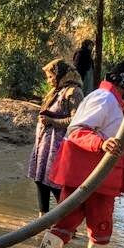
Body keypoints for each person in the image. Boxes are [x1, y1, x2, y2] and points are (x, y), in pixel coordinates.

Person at [25, 58, 124, 248]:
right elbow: (77, 131)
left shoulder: (112, 101)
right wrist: (102, 143)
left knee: (96, 228)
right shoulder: (103, 99)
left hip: (98, 176)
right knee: (73, 225)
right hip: (90, 176)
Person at [27, 58, 84, 214]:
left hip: (58, 145)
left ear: (62, 75)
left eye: (51, 76)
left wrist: (52, 121)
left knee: (55, 182)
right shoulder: (56, 91)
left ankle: (67, 219)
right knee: (40, 179)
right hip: (45, 143)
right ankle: (42, 217)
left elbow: (76, 120)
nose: (49, 80)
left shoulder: (73, 92)